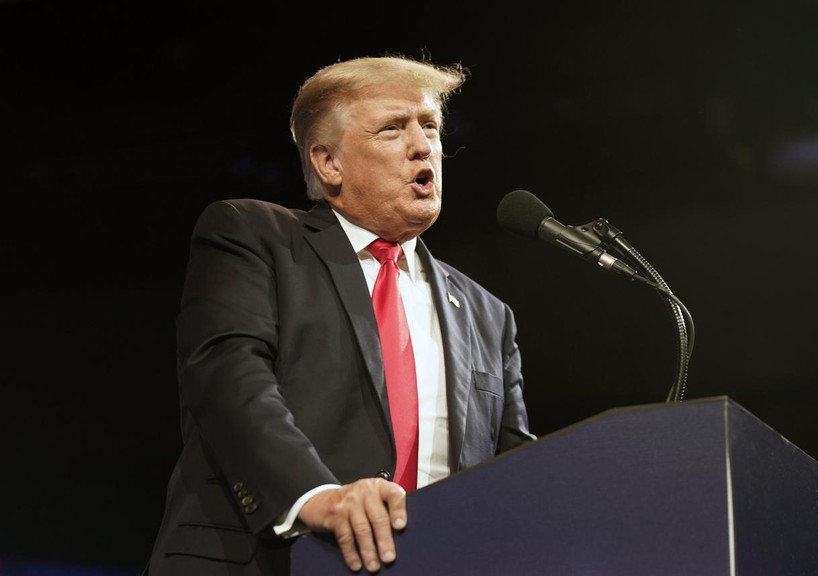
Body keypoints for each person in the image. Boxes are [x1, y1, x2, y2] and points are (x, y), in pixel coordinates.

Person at [145, 53, 536, 575]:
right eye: (393, 129)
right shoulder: (253, 238)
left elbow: (514, 476)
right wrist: (316, 495)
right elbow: (228, 379)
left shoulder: (488, 314)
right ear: (329, 163)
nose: (423, 146)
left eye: (431, 127)